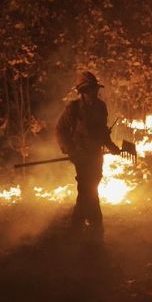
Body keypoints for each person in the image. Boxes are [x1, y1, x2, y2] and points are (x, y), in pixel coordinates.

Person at [55, 71, 121, 235]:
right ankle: (91, 224)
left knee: (91, 187)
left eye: (94, 90)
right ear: (82, 92)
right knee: (87, 188)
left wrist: (110, 145)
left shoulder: (101, 107)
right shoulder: (73, 109)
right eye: (89, 90)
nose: (93, 93)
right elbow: (60, 130)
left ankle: (82, 224)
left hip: (96, 155)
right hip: (81, 155)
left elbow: (102, 132)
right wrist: (70, 150)